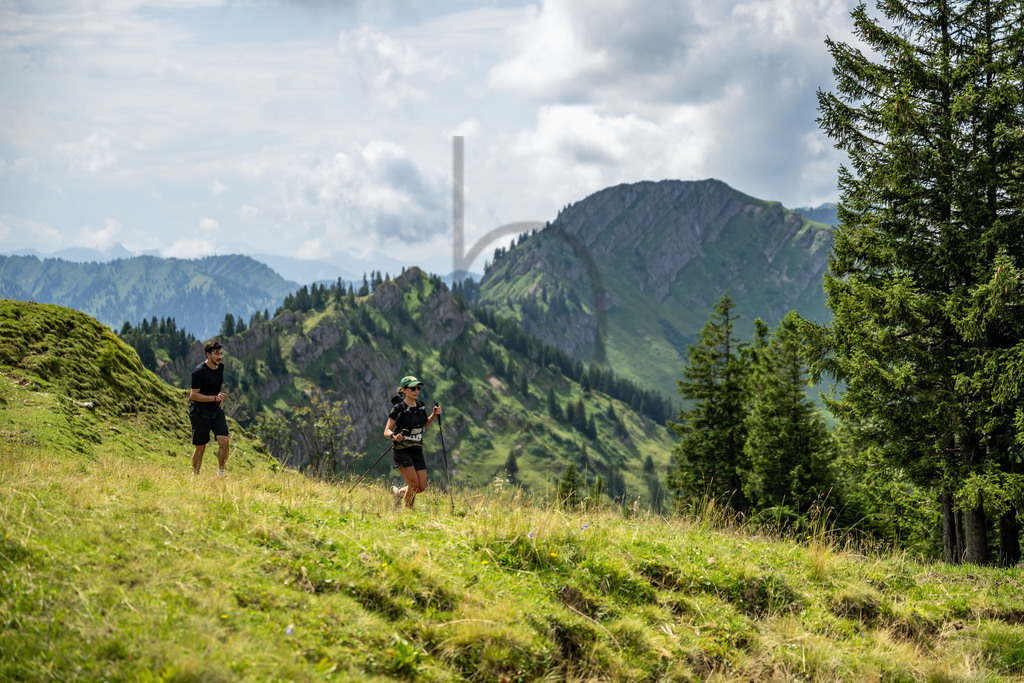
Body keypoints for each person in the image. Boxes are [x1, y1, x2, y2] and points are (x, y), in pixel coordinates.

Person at [384, 375, 442, 508]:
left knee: (421, 487)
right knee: (414, 485)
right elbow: (386, 430)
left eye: (418, 388)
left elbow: (424, 424)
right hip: (402, 450)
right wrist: (393, 435)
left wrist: (434, 415)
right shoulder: (398, 409)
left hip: (417, 449)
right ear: (403, 390)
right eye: (412, 388)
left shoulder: (421, 405)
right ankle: (408, 513)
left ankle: (398, 492)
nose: (416, 390)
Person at [189, 340, 229, 476]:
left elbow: (215, 387)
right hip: (200, 412)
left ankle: (221, 474)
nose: (220, 357)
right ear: (208, 354)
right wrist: (214, 398)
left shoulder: (221, 367)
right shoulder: (198, 372)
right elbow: (193, 395)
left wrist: (220, 399)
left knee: (224, 441)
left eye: (221, 354)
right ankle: (195, 476)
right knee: (201, 447)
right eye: (216, 354)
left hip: (215, 410)